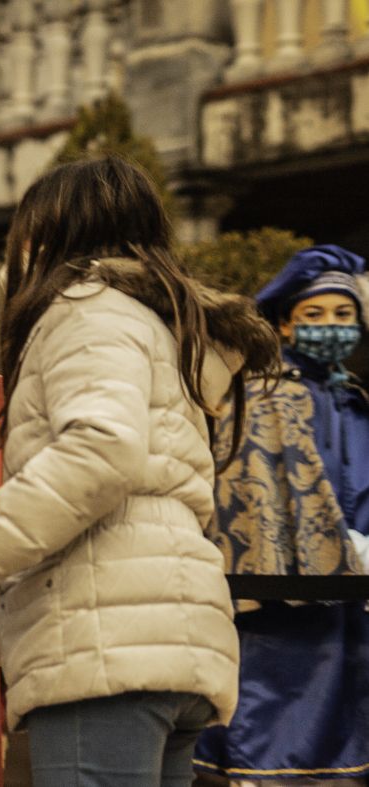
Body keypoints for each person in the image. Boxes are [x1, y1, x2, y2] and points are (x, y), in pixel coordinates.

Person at [0, 155, 281, 786]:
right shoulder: (156, 330)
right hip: (167, 646)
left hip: (106, 668)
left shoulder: (87, 310)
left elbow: (98, 459)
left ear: (46, 237)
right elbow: (97, 540)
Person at [193, 245, 369, 786]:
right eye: (313, 315)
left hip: (349, 603)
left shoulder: (352, 398)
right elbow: (253, 498)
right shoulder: (267, 394)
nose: (331, 326)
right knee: (276, 733)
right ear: (286, 325)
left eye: (343, 315)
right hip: (283, 603)